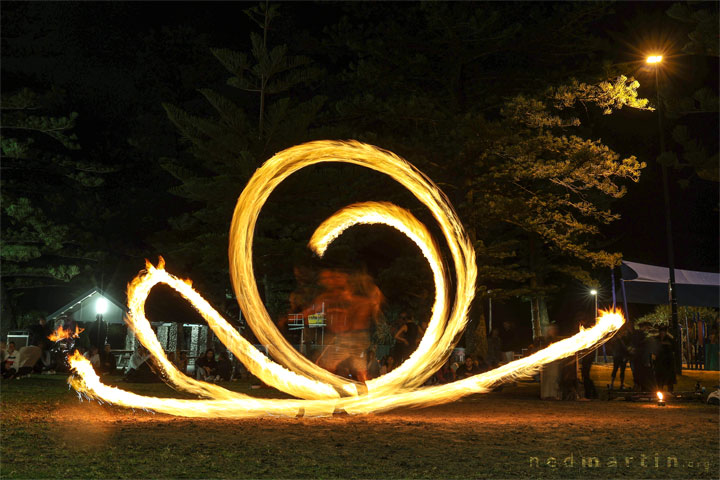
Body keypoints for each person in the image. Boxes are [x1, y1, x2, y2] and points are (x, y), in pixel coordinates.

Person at [653, 325, 677, 392]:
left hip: (668, 361)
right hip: (659, 360)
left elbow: (674, 347)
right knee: (659, 377)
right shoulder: (656, 338)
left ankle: (670, 391)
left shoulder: (670, 339)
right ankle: (660, 390)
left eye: (664, 331)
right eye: (661, 331)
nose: (662, 333)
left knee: (669, 378)